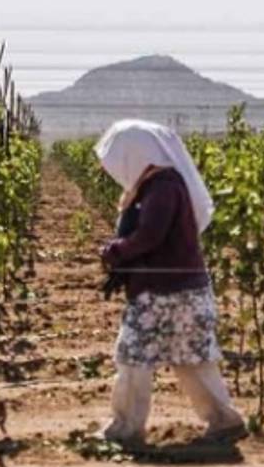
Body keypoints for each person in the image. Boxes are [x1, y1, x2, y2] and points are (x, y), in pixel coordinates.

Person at [95, 119, 246, 447]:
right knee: (192, 359)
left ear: (136, 155)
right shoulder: (160, 184)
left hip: (164, 293)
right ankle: (224, 421)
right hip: (180, 291)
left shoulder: (162, 187)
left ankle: (126, 429)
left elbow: (150, 235)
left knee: (134, 355)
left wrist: (116, 252)